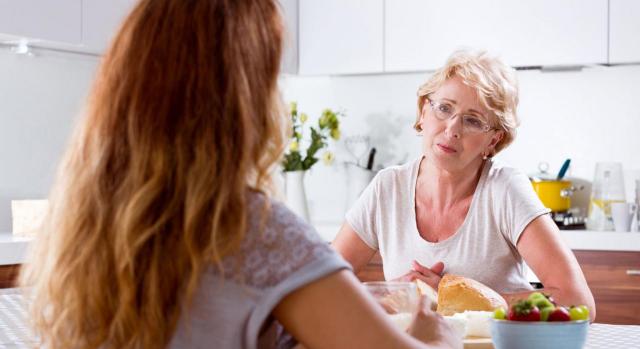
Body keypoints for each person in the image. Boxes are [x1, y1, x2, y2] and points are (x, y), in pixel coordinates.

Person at [19, 1, 459, 348]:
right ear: (243, 100)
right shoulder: (251, 228)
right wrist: (431, 337)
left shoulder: (81, 221)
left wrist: (343, 312)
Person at [332, 50, 596, 320]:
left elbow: (577, 299)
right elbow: (323, 283)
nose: (452, 129)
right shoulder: (387, 187)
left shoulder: (504, 189)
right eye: (444, 108)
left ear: (493, 140)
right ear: (424, 112)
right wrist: (395, 293)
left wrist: (456, 296)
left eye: (472, 120)